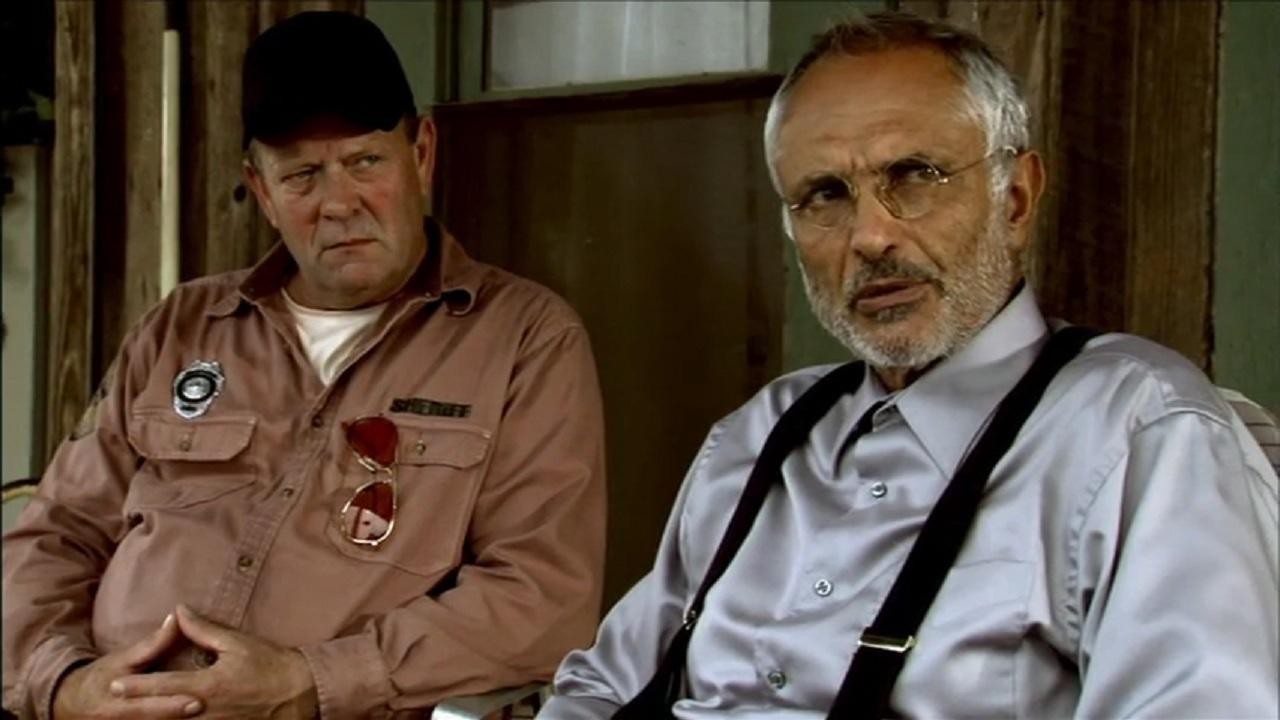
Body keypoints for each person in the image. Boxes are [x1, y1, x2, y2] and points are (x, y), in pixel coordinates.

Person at [543, 12, 1278, 719]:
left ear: (1016, 199)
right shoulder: (762, 432)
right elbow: (605, 686)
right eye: (825, 194)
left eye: (915, 175)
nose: (870, 236)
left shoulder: (1139, 433)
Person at [3, 11, 606, 720]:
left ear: (421, 154)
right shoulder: (179, 327)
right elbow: (56, 535)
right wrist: (64, 684)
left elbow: (542, 597)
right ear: (261, 190)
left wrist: (310, 681)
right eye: (302, 175)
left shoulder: (524, 339)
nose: (339, 203)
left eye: (365, 162)